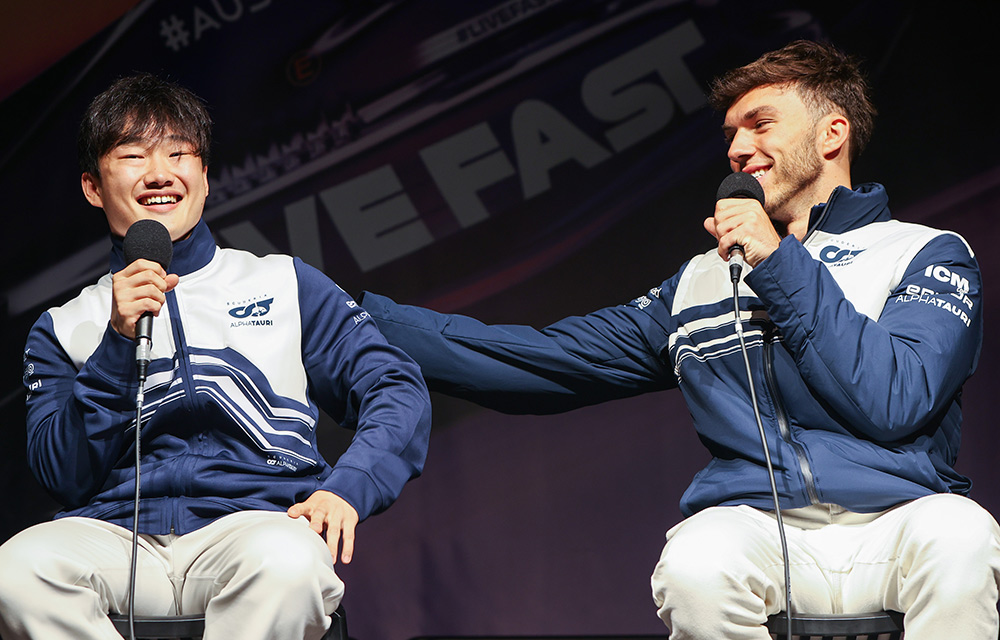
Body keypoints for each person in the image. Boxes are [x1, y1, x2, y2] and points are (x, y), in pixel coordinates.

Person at [357, 40, 1000, 639]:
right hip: (758, 528)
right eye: (730, 135)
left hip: (900, 517)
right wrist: (348, 318)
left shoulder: (923, 253)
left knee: (963, 537)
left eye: (760, 124)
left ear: (833, 133)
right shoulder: (700, 280)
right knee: (696, 563)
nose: (738, 149)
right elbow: (547, 360)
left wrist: (777, 262)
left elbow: (895, 400)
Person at [0, 73, 431, 640]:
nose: (159, 173)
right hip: (116, 538)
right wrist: (116, 343)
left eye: (178, 154)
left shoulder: (284, 283)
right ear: (92, 186)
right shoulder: (63, 325)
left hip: (256, 528)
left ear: (205, 177)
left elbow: (394, 387)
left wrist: (349, 485)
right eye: (133, 155)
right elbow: (62, 474)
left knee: (289, 563)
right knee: (14, 572)